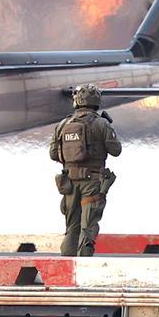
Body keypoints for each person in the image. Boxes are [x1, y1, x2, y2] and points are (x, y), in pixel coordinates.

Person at [50, 84, 122, 256]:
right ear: (96, 101)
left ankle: (67, 263)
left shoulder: (63, 124)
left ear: (76, 101)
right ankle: (83, 263)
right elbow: (116, 151)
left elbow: (53, 154)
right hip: (92, 182)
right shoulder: (101, 124)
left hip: (69, 184)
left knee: (71, 227)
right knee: (88, 227)